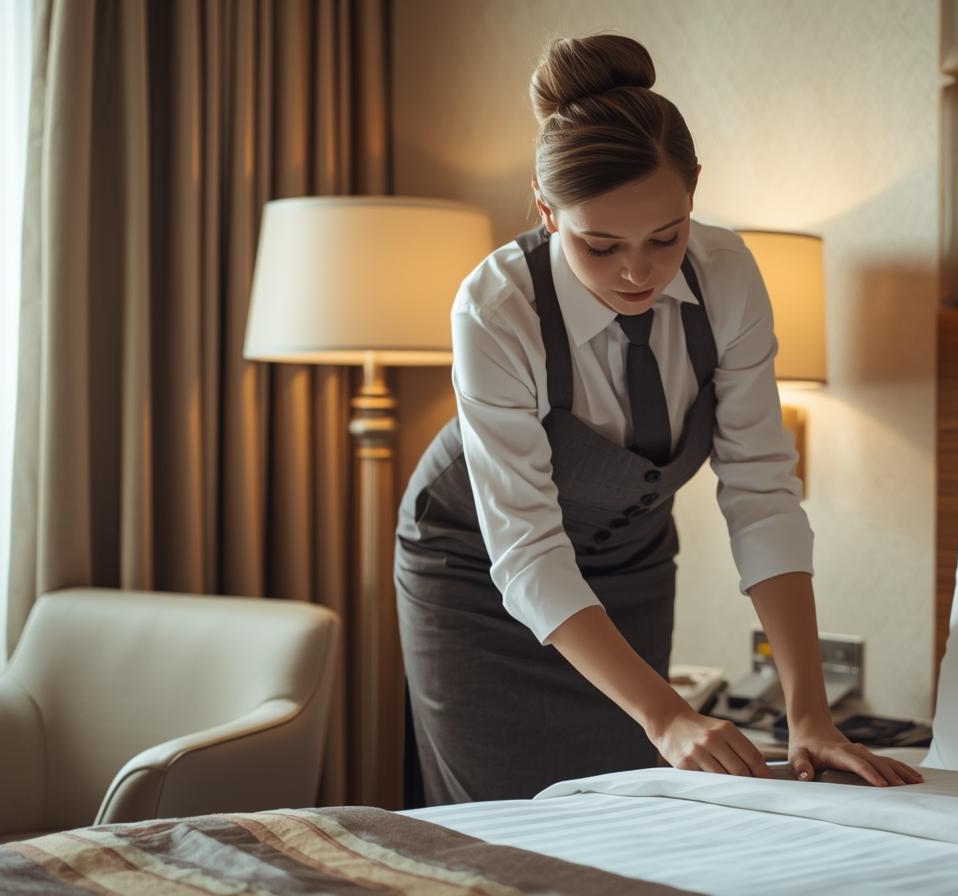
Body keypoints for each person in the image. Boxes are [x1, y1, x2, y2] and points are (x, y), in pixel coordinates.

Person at [394, 33, 922, 807]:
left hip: (633, 568)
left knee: (628, 816)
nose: (637, 271)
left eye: (664, 237)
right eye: (600, 246)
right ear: (546, 211)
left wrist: (810, 713)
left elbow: (760, 492)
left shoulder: (728, 275)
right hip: (478, 571)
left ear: (693, 194)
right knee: (506, 827)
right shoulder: (496, 307)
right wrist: (668, 714)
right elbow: (528, 548)